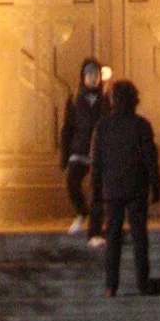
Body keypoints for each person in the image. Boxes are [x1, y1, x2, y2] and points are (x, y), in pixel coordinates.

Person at [90, 73, 160, 295]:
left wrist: (96, 192)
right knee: (140, 236)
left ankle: (111, 285)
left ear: (113, 101)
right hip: (137, 188)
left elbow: (97, 162)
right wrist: (156, 186)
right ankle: (143, 282)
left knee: (113, 238)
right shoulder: (141, 126)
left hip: (112, 190)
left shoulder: (103, 127)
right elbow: (150, 159)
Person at [58, 55, 106, 237]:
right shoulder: (75, 99)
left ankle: (96, 226)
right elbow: (67, 128)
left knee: (99, 189)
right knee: (72, 182)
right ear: (83, 77)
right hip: (79, 148)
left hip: (99, 152)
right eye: (90, 74)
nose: (93, 78)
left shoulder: (105, 99)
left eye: (96, 74)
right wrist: (64, 155)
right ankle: (81, 213)